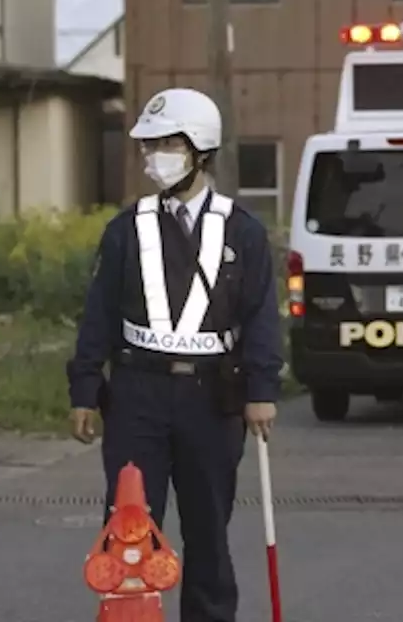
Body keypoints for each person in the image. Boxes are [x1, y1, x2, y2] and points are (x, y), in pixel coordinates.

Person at [67, 87, 283, 622]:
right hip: (138, 392)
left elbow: (260, 316)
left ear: (200, 150)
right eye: (148, 146)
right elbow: (97, 315)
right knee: (129, 525)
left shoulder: (243, 231)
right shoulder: (126, 229)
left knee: (208, 529)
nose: (152, 157)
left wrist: (261, 391)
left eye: (166, 144)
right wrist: (84, 390)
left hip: (212, 397)